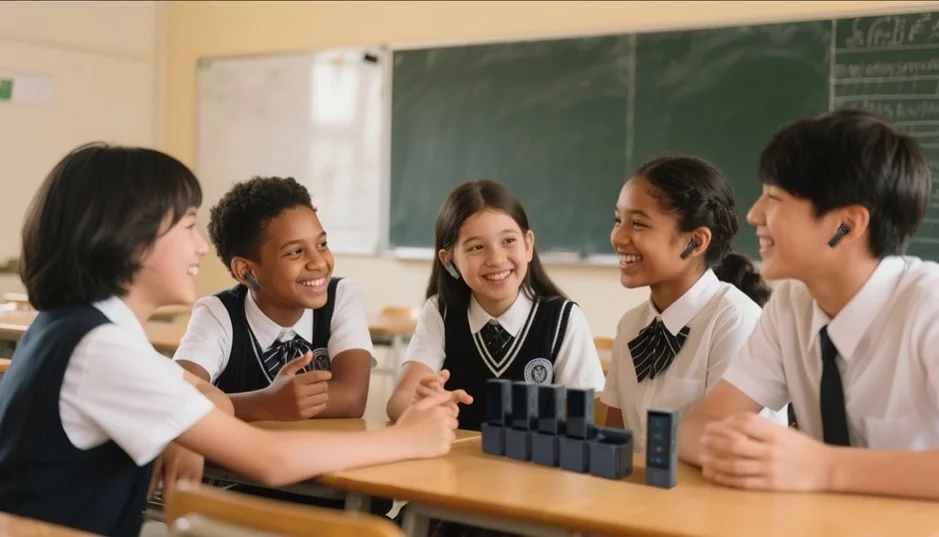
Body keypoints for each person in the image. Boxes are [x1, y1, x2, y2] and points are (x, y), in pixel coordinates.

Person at [0, 142, 458, 537]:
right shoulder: (102, 349)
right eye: (186, 226)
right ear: (126, 240)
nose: (201, 246)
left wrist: (185, 427)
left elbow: (199, 393)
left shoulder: (74, 328)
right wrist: (409, 438)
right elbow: (269, 459)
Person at [679, 109, 939, 500]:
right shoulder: (790, 305)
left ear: (846, 225)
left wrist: (824, 467)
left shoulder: (929, 306)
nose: (754, 214)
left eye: (775, 198)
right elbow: (698, 429)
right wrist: (744, 452)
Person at [386, 178, 606, 431]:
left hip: (535, 467)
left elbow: (587, 417)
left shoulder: (564, 319)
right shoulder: (441, 313)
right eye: (477, 247)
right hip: (456, 468)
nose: (496, 259)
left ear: (528, 245)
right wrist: (421, 404)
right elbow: (397, 401)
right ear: (449, 262)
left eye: (508, 241)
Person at [600, 155, 783, 449]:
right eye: (618, 220)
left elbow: (727, 450)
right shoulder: (631, 325)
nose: (618, 237)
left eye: (637, 224)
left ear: (695, 241)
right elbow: (613, 443)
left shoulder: (734, 321)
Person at [174, 176, 374, 421]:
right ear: (245, 271)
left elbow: (351, 399)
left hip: (325, 454)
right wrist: (267, 404)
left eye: (322, 244)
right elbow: (178, 397)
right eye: (295, 252)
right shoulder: (218, 313)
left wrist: (242, 406)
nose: (319, 262)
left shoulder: (341, 296)